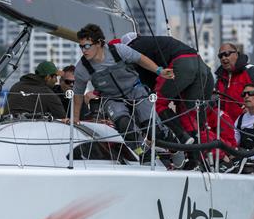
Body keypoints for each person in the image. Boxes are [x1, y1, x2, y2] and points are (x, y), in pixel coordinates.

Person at [72, 24, 183, 159]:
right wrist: (75, 118)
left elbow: (140, 59)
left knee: (154, 128)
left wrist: (159, 71)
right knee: (124, 126)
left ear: (99, 43)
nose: (84, 50)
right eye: (81, 46)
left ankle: (174, 146)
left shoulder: (118, 50)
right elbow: (78, 93)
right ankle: (144, 155)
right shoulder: (82, 68)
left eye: (87, 46)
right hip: (112, 98)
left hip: (134, 90)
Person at [214, 43, 254, 121]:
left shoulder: (251, 71)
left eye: (226, 54)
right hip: (228, 127)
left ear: (236, 54)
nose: (223, 58)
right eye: (220, 56)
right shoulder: (220, 78)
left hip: (251, 123)